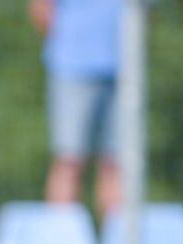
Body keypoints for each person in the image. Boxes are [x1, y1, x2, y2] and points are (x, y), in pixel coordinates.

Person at [30, 0, 122, 215]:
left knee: (117, 163)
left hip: (124, 71)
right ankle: (62, 240)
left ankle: (120, 242)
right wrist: (73, 42)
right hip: (73, 69)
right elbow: (40, 8)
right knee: (69, 160)